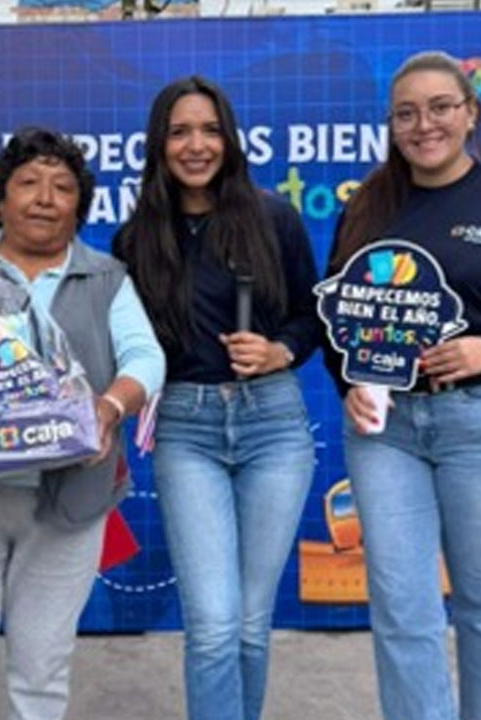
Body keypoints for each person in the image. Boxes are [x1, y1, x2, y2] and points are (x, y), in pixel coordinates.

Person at [325, 51, 481, 720]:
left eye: (441, 107)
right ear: (391, 125)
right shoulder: (366, 207)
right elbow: (339, 315)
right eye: (406, 114)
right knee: (401, 607)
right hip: (387, 434)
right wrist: (347, 382)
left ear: (471, 114)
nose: (424, 125)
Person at [0, 127, 165, 720]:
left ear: (80, 206)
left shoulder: (106, 278)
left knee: (42, 670)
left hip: (68, 504)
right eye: (28, 183)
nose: (45, 199)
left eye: (62, 187)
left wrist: (108, 408)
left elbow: (145, 358)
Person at [112, 76, 320, 720]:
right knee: (212, 625)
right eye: (179, 132)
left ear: (228, 138)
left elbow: (311, 316)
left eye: (209, 130)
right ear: (159, 144)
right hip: (186, 429)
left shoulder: (273, 218)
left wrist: (280, 351)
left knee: (251, 626)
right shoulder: (134, 239)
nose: (196, 145)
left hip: (273, 426)